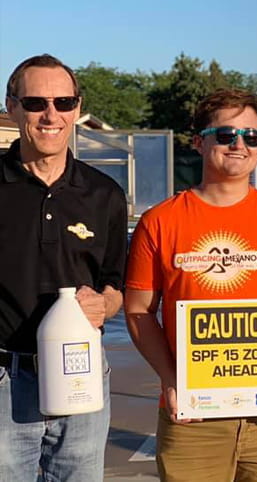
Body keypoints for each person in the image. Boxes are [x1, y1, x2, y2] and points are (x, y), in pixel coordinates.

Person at [124, 89, 257, 481]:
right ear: (199, 141)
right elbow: (138, 310)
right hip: (194, 418)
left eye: (251, 136)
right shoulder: (160, 222)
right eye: (227, 134)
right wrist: (171, 379)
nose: (239, 145)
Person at [0, 54, 127, 481]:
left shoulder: (104, 194)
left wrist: (104, 305)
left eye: (64, 102)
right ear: (12, 106)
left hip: (83, 373)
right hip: (5, 380)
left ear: (77, 108)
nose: (51, 114)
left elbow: (115, 283)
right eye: (36, 103)